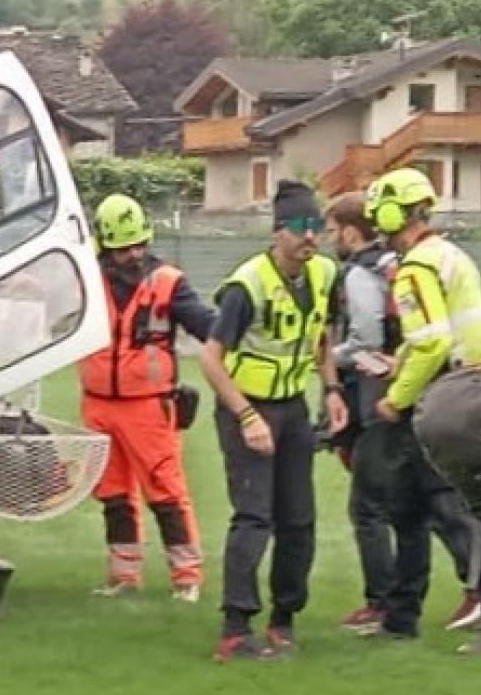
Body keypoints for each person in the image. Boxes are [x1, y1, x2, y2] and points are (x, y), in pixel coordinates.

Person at [368, 165, 481, 657]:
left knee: (449, 509)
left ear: (393, 213)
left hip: (446, 394)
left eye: (379, 217)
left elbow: (433, 341)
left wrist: (396, 397)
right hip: (476, 385)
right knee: (408, 505)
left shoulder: (414, 268)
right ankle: (400, 618)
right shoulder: (449, 254)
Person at [193, 179, 337, 662]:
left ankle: (284, 619)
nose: (310, 237)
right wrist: (248, 416)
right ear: (278, 231)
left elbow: (322, 337)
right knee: (255, 517)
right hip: (248, 406)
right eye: (299, 227)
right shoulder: (247, 285)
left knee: (299, 519)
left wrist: (332, 388)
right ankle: (236, 629)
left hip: (293, 406)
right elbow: (210, 360)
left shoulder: (323, 276)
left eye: (316, 226)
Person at [79, 192, 214, 603]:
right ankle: (124, 576)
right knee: (114, 495)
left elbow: (208, 326)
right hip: (99, 402)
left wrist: (237, 325)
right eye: (124, 248)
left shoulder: (168, 282)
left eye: (139, 244)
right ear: (105, 246)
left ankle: (187, 577)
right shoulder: (87, 280)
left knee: (166, 492)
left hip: (149, 405)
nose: (134, 254)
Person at [325, 194, 418, 638]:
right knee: (421, 503)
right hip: (412, 387)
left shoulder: (361, 273)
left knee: (369, 506)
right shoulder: (395, 264)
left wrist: (323, 356)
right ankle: (475, 588)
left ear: (348, 230)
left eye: (331, 230)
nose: (329, 240)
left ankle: (380, 602)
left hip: (378, 395)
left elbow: (365, 338)